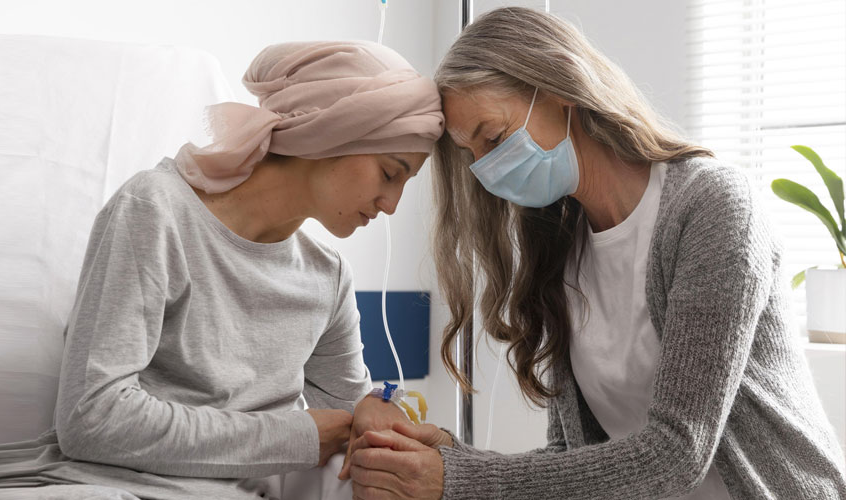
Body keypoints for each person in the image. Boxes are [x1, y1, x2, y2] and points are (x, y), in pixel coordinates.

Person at [0, 40, 443, 500]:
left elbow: (352, 421)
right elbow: (92, 419)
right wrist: (305, 436)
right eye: (390, 173)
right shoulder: (155, 212)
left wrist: (378, 426)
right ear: (329, 135)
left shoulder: (325, 275)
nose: (389, 206)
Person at [342, 7, 846, 500]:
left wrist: (459, 480)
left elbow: (677, 453)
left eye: (493, 137)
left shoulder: (713, 208)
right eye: (473, 155)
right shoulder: (560, 247)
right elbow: (569, 460)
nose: (488, 169)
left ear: (559, 87)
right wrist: (453, 458)